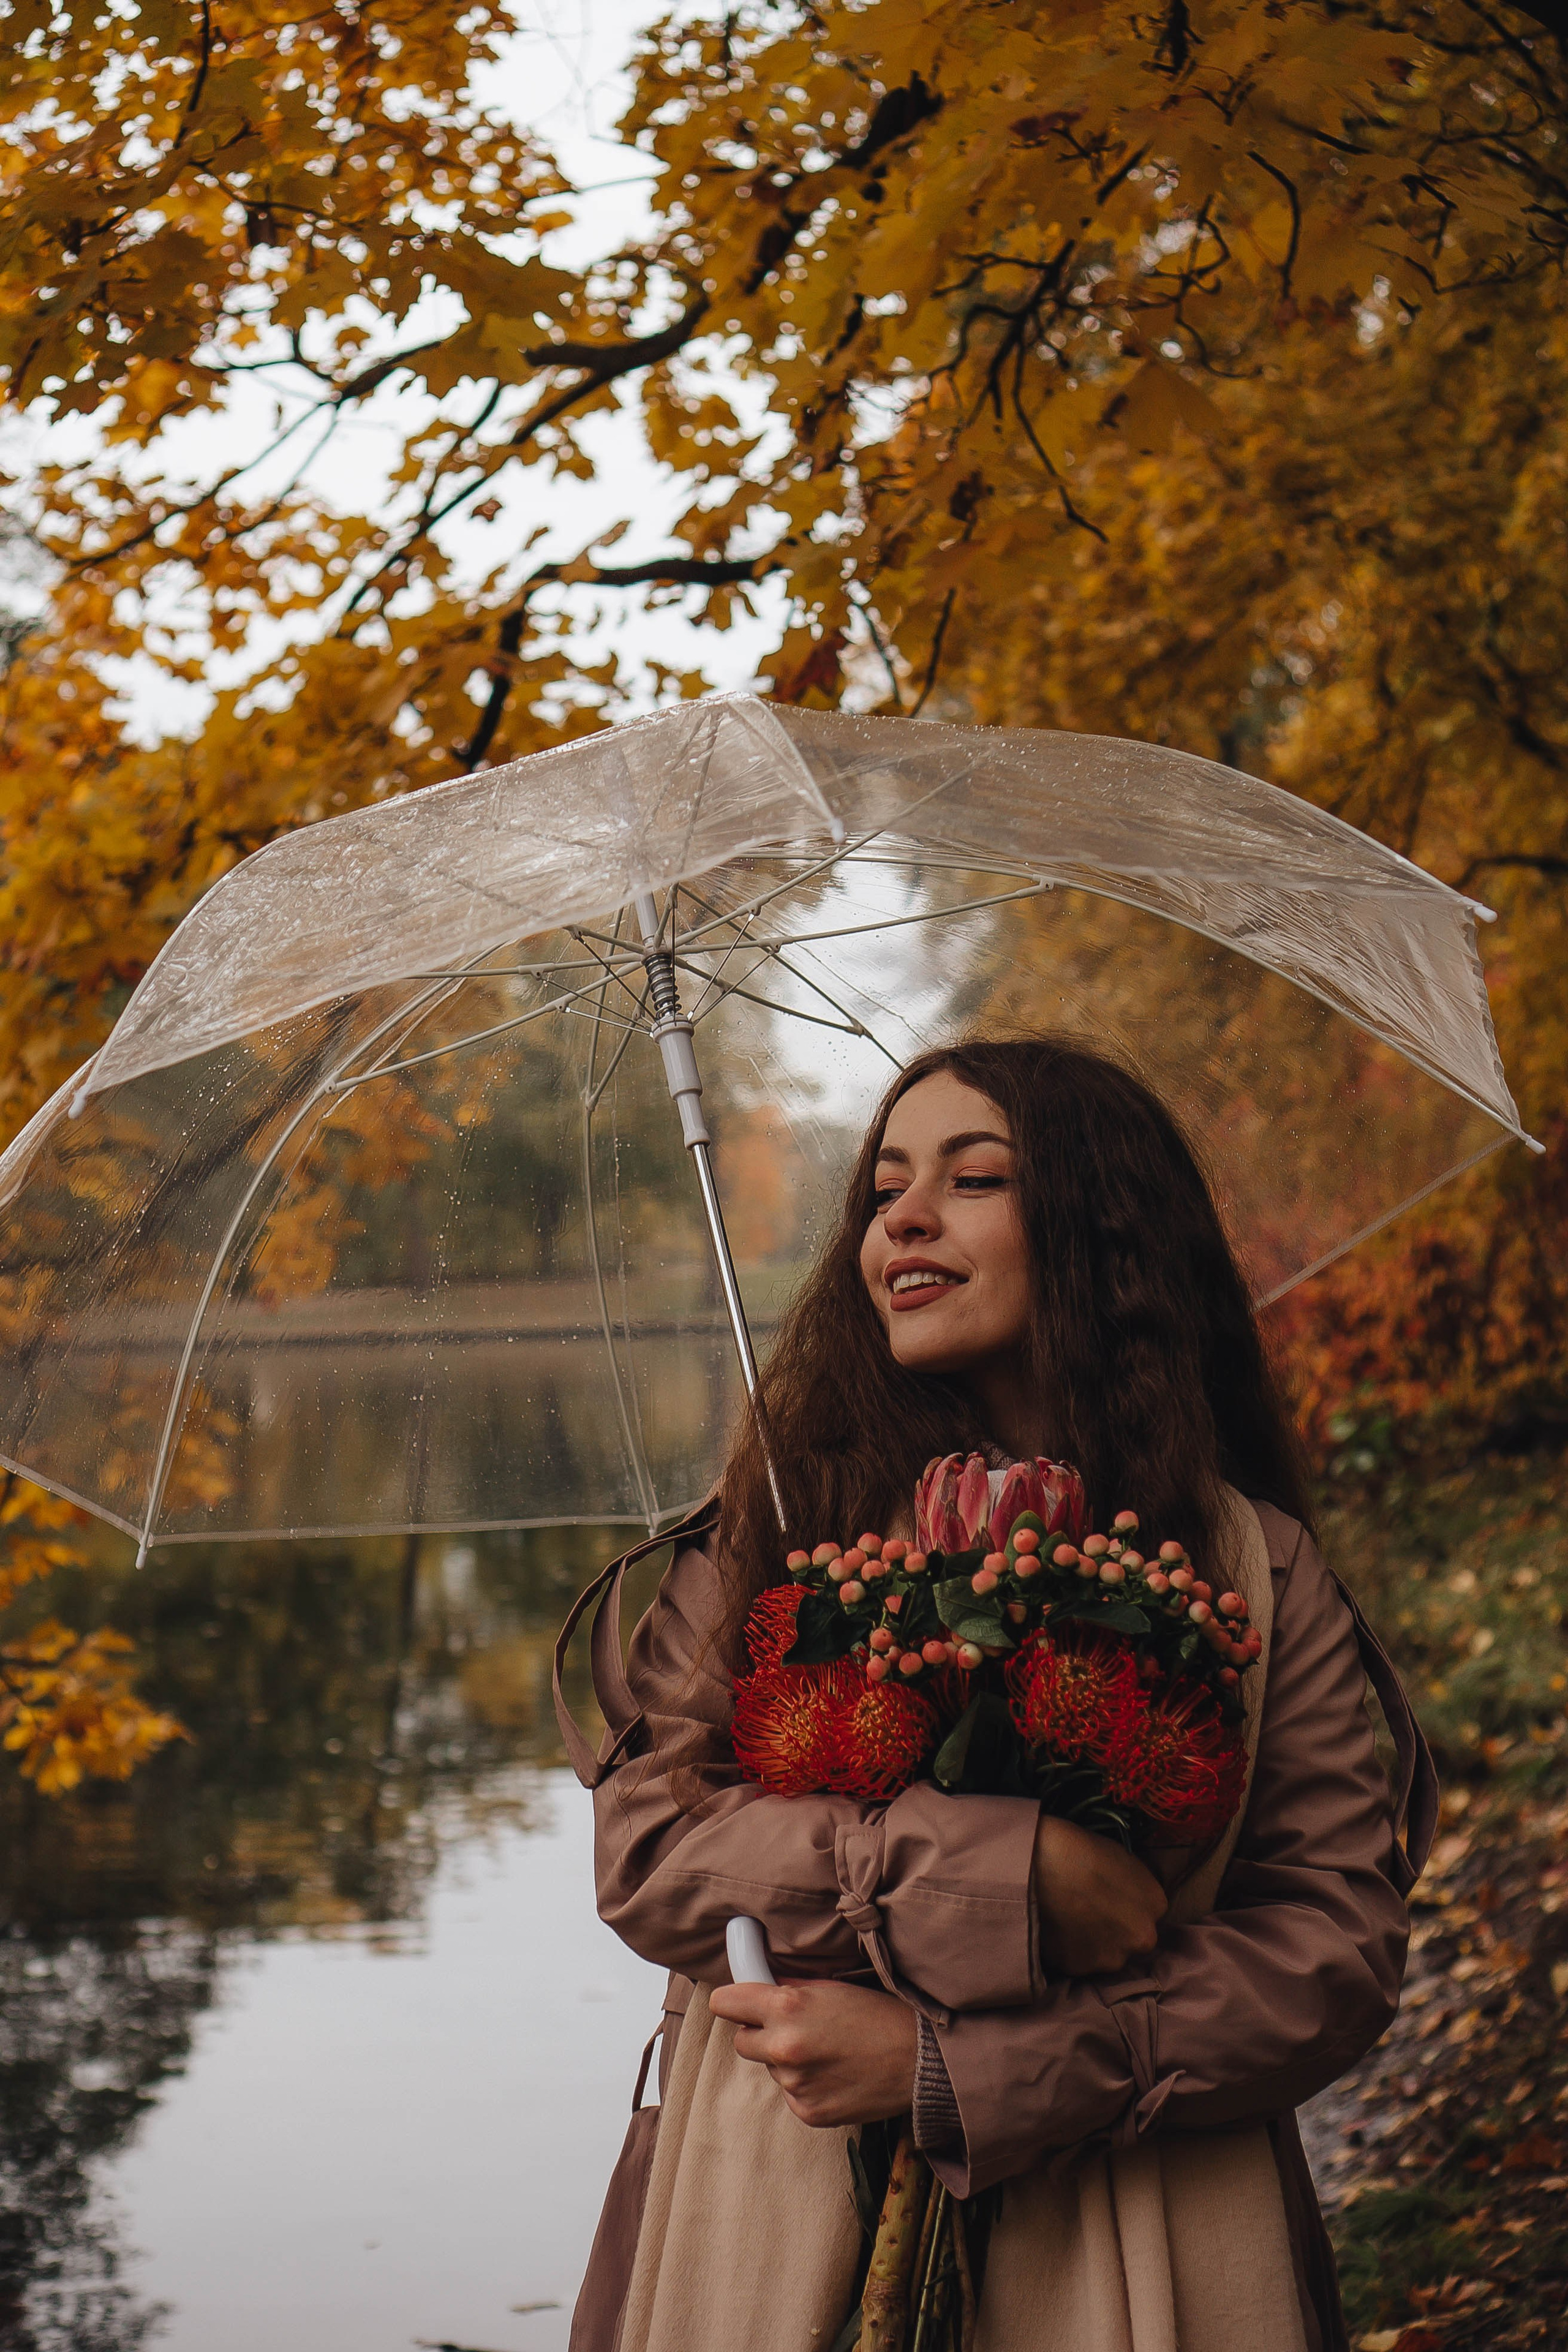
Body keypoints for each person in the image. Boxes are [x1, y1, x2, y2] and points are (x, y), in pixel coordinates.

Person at [554, 1037, 1434, 2352]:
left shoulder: (1248, 1563)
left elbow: (1329, 1951)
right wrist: (994, 1876)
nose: (900, 1218)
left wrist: (949, 2075)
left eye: (973, 1179)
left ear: (1098, 1232)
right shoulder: (771, 1531)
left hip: (1135, 2235)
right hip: (777, 2215)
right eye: (881, 1190)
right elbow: (650, 1850)